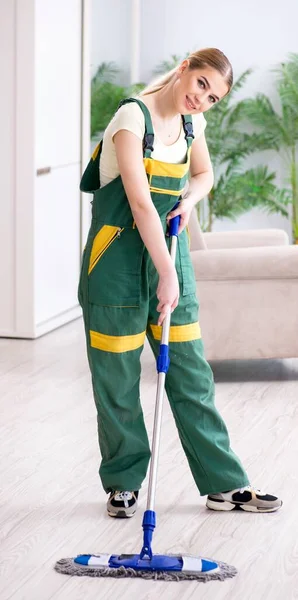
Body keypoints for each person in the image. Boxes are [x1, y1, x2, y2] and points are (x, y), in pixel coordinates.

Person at [78, 48, 282, 518]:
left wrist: (189, 199)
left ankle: (225, 485)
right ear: (187, 67)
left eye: (214, 98)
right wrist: (166, 275)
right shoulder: (132, 119)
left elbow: (204, 174)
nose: (203, 100)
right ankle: (123, 484)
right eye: (202, 84)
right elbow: (141, 203)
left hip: (170, 255)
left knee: (191, 373)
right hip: (115, 263)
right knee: (118, 380)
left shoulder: (194, 126)